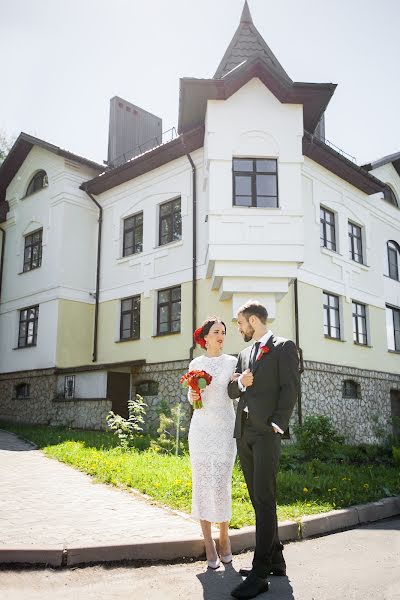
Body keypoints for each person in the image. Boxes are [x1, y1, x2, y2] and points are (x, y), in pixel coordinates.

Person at [228, 300, 299, 599]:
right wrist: (241, 383)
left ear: (254, 320)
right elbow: (231, 389)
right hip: (244, 434)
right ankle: (277, 560)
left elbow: (290, 388)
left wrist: (277, 425)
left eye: (241, 323)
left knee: (265, 498)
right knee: (259, 499)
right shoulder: (243, 354)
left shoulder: (283, 347)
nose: (239, 328)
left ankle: (259, 573)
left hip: (267, 434)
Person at [187, 317, 238, 569]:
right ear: (205, 337)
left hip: (226, 429)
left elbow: (236, 390)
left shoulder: (232, 362)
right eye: (216, 331)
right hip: (201, 429)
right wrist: (193, 394)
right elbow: (191, 396)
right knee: (202, 482)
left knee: (221, 484)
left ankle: (225, 537)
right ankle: (208, 542)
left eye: (224, 332)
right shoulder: (196, 363)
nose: (221, 335)